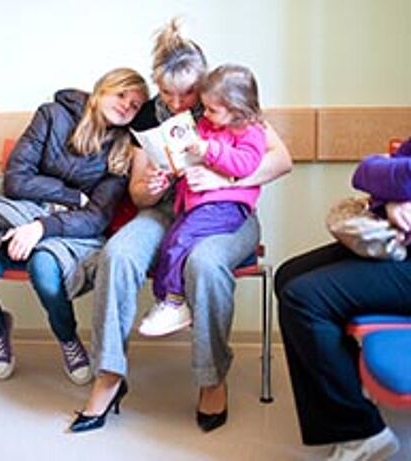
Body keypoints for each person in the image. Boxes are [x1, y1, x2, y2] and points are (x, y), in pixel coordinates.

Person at [69, 19, 292, 433]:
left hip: (226, 213)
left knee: (204, 264)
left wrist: (225, 181)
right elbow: (139, 195)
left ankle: (211, 378)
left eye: (186, 93)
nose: (175, 103)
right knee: (118, 254)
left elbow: (281, 160)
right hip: (167, 212)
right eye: (167, 92)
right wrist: (149, 186)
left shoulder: (226, 103)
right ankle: (109, 375)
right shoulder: (148, 115)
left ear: (202, 83)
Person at [0, 68, 149, 386]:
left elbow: (96, 217)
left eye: (136, 105)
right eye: (121, 94)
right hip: (13, 218)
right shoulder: (52, 115)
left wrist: (41, 228)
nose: (127, 105)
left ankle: (68, 338)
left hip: (66, 232)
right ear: (101, 90)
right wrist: (73, 196)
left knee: (46, 272)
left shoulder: (123, 151)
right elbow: (16, 181)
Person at [274, 137, 411, 461]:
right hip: (401, 245)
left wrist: (392, 187)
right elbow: (368, 171)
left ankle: (361, 431)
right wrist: (391, 201)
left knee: (303, 298)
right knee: (288, 275)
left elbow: (395, 174)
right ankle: (350, 389)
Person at [139, 64, 266, 337]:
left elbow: (246, 164)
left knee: (181, 243)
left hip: (225, 206)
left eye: (211, 109)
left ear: (237, 109)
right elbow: (195, 157)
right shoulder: (209, 125)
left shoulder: (251, 132)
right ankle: (172, 301)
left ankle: (173, 300)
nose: (204, 114)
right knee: (172, 242)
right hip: (195, 205)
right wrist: (174, 166)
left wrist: (210, 149)